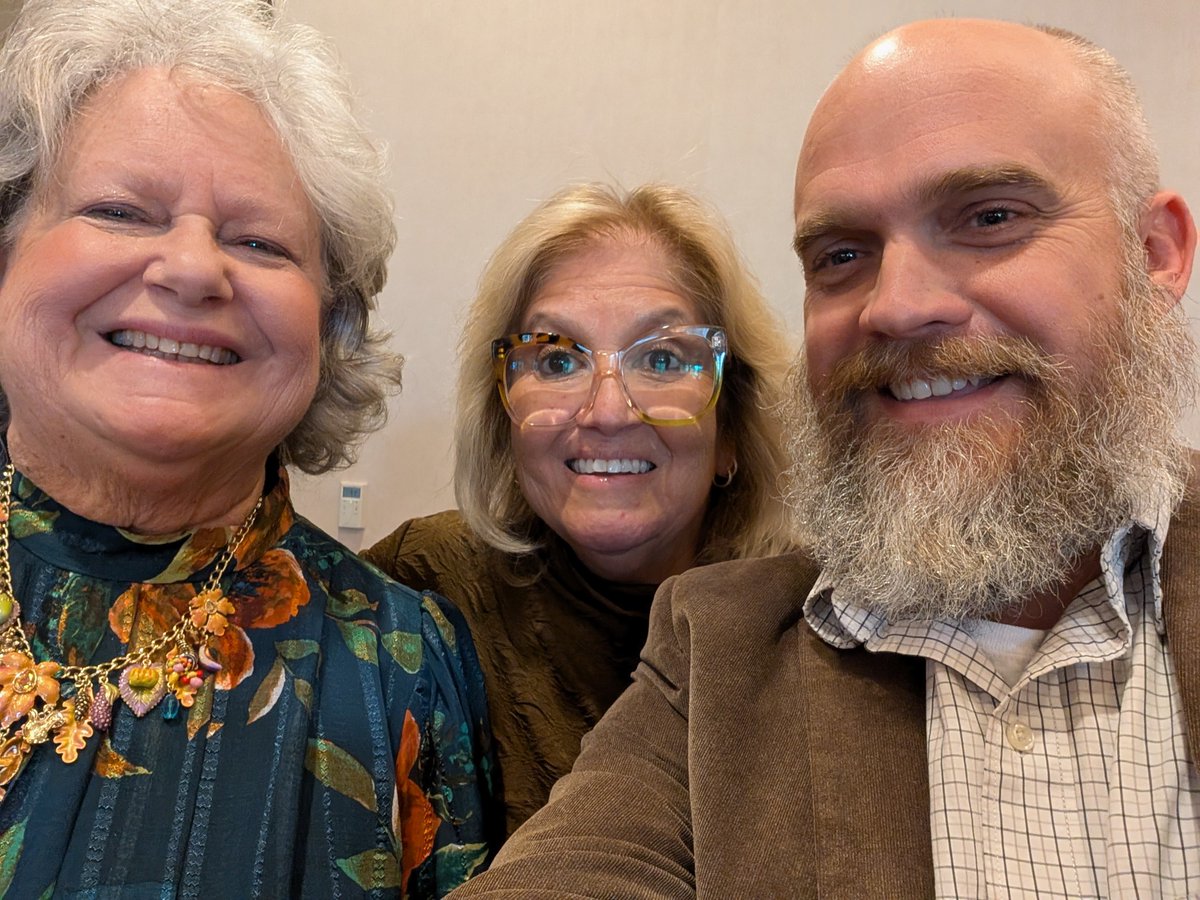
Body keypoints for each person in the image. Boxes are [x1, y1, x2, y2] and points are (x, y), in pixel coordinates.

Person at [448, 19, 1200, 898]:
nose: (897, 306)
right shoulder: (717, 648)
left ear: (1156, 253)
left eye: (991, 218)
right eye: (843, 255)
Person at [0, 0, 496, 895]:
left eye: (259, 241)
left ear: (329, 324)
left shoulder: (403, 668)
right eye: (120, 210)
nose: (193, 269)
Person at [364, 182, 793, 836]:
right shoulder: (417, 588)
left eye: (661, 357)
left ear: (730, 428)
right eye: (559, 358)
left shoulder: (813, 636)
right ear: (504, 415)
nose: (607, 412)